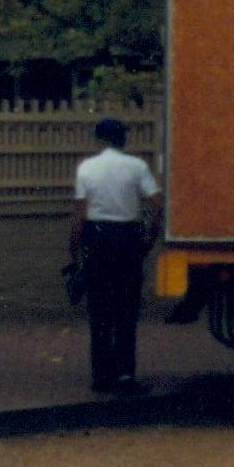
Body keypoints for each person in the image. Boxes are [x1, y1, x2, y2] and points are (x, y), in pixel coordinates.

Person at [69, 116, 162, 396]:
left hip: (97, 238)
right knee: (126, 308)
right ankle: (125, 374)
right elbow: (157, 205)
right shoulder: (137, 166)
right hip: (128, 237)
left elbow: (79, 214)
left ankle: (101, 376)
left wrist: (73, 249)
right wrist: (149, 238)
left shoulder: (87, 167)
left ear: (99, 139)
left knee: (99, 309)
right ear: (123, 139)